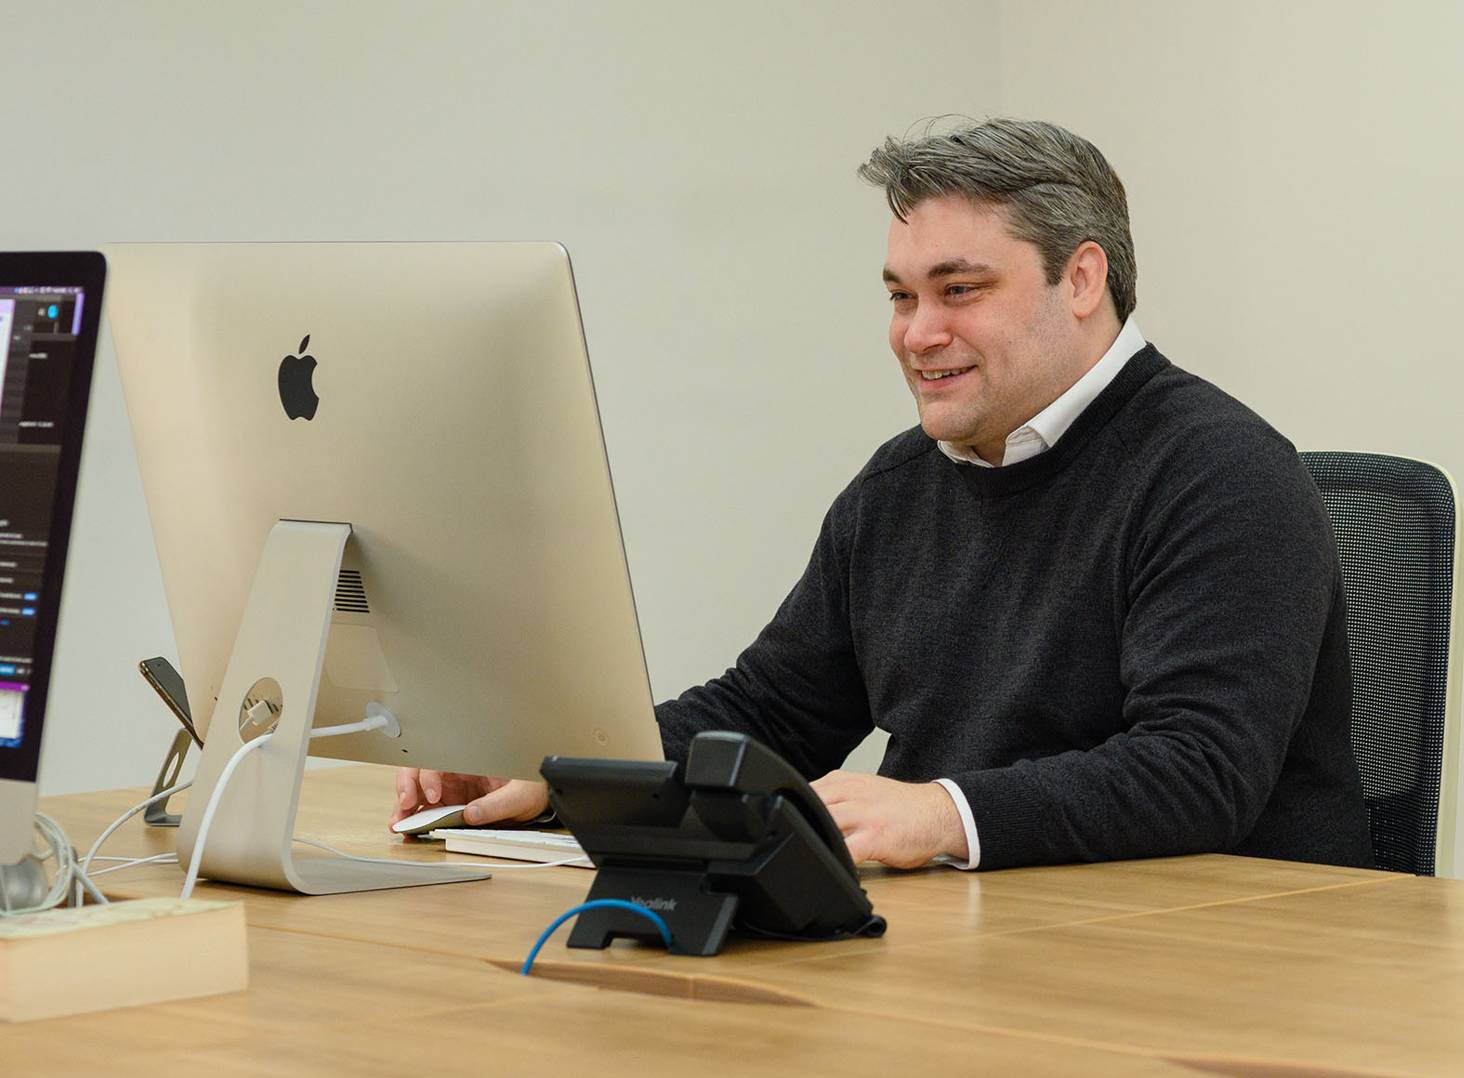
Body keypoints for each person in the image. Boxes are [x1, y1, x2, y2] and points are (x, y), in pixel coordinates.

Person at [392, 118, 1373, 872]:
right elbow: (770, 711)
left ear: (1080, 280)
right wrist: (563, 769)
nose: (916, 333)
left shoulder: (1224, 476)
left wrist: (943, 813)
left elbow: (1199, 772)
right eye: (902, 296)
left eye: (959, 291)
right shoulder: (901, 487)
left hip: (1206, 963)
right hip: (975, 937)